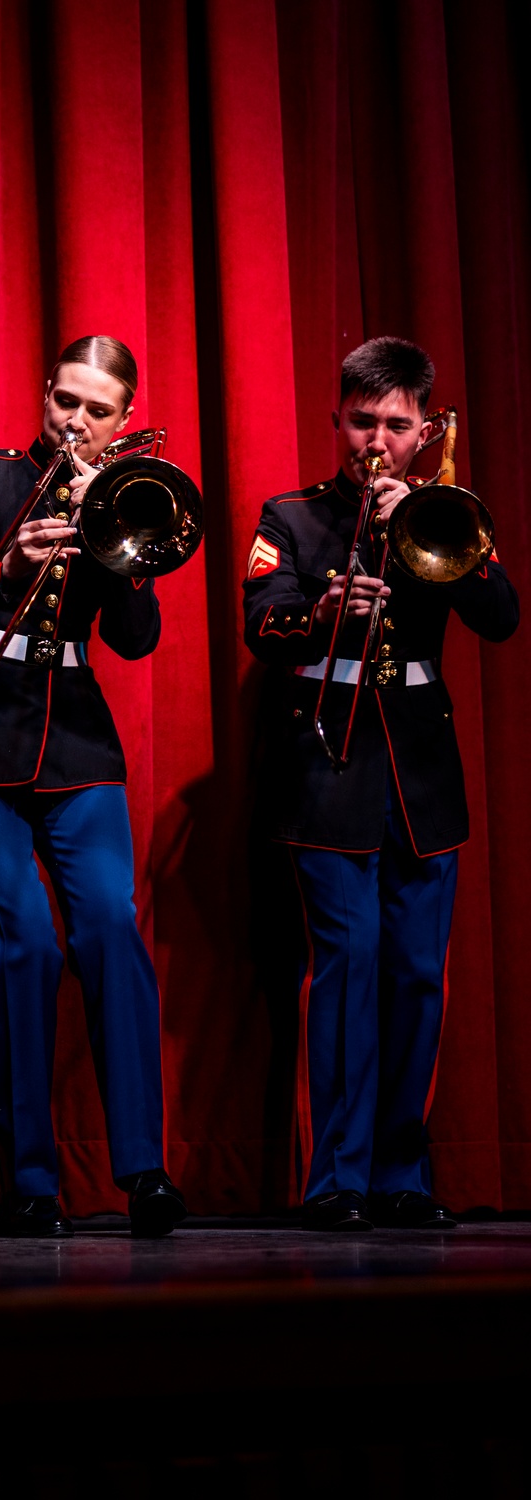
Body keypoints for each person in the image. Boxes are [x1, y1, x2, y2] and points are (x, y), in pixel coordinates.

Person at [0, 335, 187, 1238]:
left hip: (74, 740)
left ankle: (144, 1170)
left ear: (123, 421)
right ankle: (29, 1178)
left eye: (97, 410)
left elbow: (135, 640)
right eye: (66, 400)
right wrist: (10, 567)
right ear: (45, 394)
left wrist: (124, 545)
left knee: (108, 927)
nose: (76, 420)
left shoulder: (120, 492)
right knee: (20, 945)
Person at [243, 336, 518, 1232]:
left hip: (421, 776)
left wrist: (435, 527)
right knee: (347, 971)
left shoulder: (445, 514)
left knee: (415, 978)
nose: (376, 443)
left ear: (425, 429)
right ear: (337, 422)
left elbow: (502, 618)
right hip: (328, 764)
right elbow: (259, 625)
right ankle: (338, 1180)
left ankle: (403, 1173)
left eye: (396, 426)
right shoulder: (291, 516)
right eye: (362, 423)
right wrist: (315, 612)